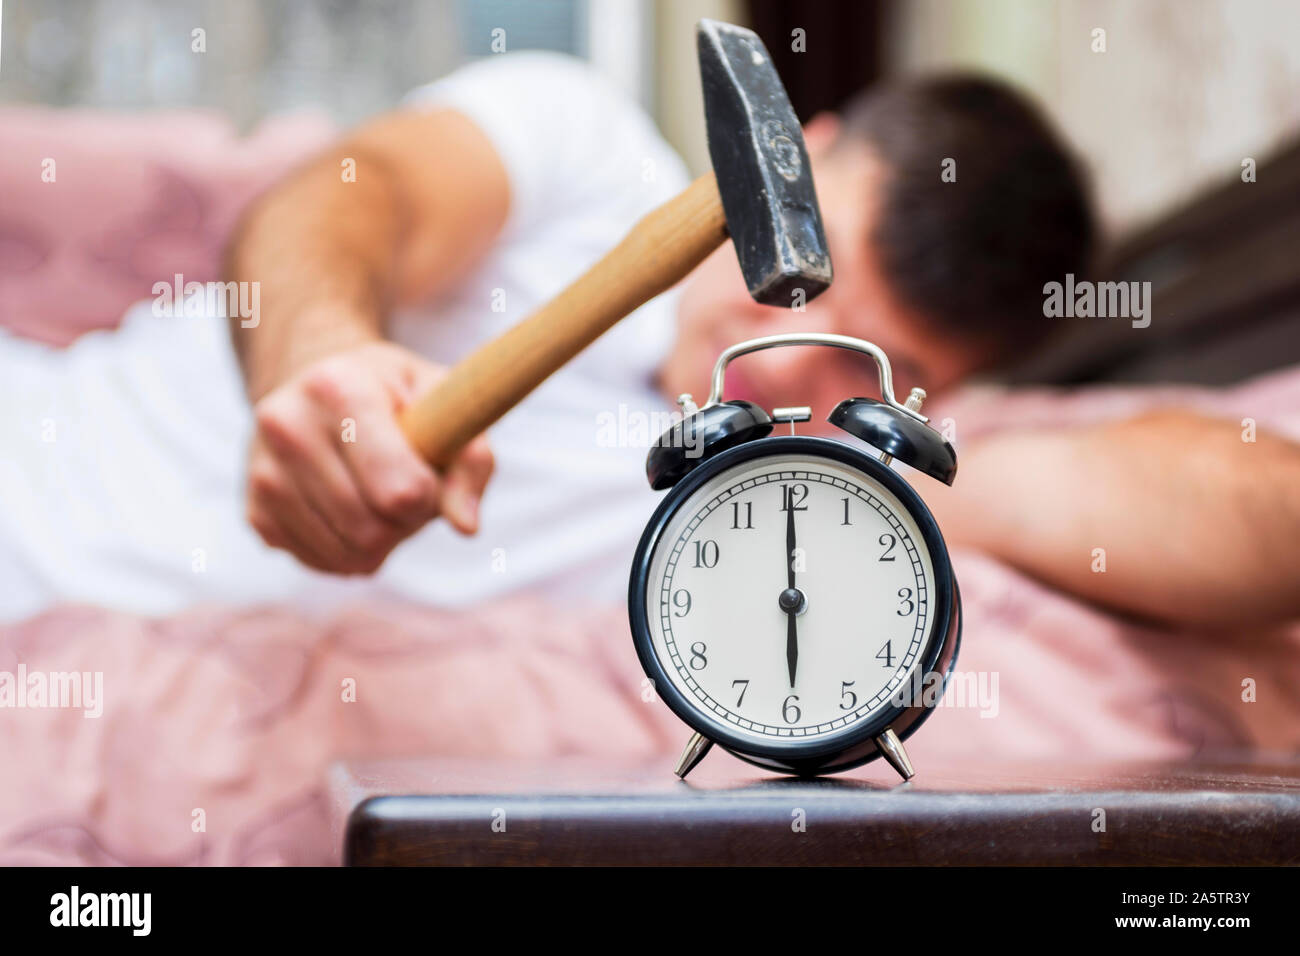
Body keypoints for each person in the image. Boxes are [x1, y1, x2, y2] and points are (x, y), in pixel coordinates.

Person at [3, 52, 1297, 630]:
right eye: (804, 271)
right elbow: (346, 203)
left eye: (864, 353)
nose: (787, 351)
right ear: (813, 148)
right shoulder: (579, 141)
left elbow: (1240, 514)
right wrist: (318, 365)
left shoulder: (816, 479)